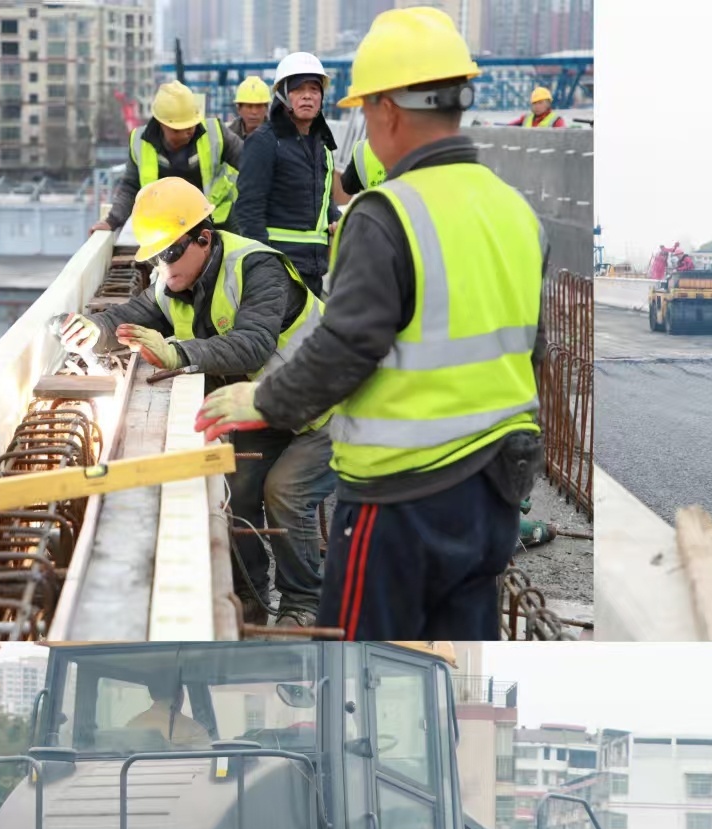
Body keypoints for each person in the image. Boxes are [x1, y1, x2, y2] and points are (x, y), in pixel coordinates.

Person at [193, 6, 546, 642]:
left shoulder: (386, 214)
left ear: (386, 109)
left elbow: (346, 348)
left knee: (356, 660)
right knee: (456, 644)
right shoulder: (516, 212)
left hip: (402, 495)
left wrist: (261, 398)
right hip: (497, 487)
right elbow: (532, 352)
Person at [59, 178, 332, 628]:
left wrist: (178, 354)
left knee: (284, 491)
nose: (163, 266)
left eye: (170, 252)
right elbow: (127, 315)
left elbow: (254, 345)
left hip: (330, 409)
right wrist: (95, 329)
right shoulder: (172, 282)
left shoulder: (257, 268)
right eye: (156, 256)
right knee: (233, 490)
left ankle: (303, 603)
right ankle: (247, 597)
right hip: (268, 409)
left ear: (203, 238)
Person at [234, 52, 339, 295]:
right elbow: (249, 210)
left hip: (314, 270)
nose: (307, 96)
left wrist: (336, 217)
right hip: (278, 271)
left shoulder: (322, 146)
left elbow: (324, 200)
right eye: (298, 89)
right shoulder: (264, 142)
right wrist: (263, 266)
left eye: (314, 89)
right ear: (282, 95)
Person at [94, 82, 242, 236]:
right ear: (161, 124)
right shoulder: (140, 142)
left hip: (217, 225)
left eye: (191, 126)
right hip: (164, 230)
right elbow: (131, 187)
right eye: (178, 130)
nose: (188, 132)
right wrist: (111, 221)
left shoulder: (215, 134)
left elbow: (249, 165)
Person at [119, 674, 212, 747]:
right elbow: (207, 761)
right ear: (180, 693)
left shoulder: (132, 726)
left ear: (152, 694)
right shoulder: (194, 730)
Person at [228, 75, 273, 144]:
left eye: (259, 106)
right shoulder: (228, 136)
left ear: (266, 109)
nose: (254, 112)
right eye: (249, 106)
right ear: (239, 109)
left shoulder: (278, 135)